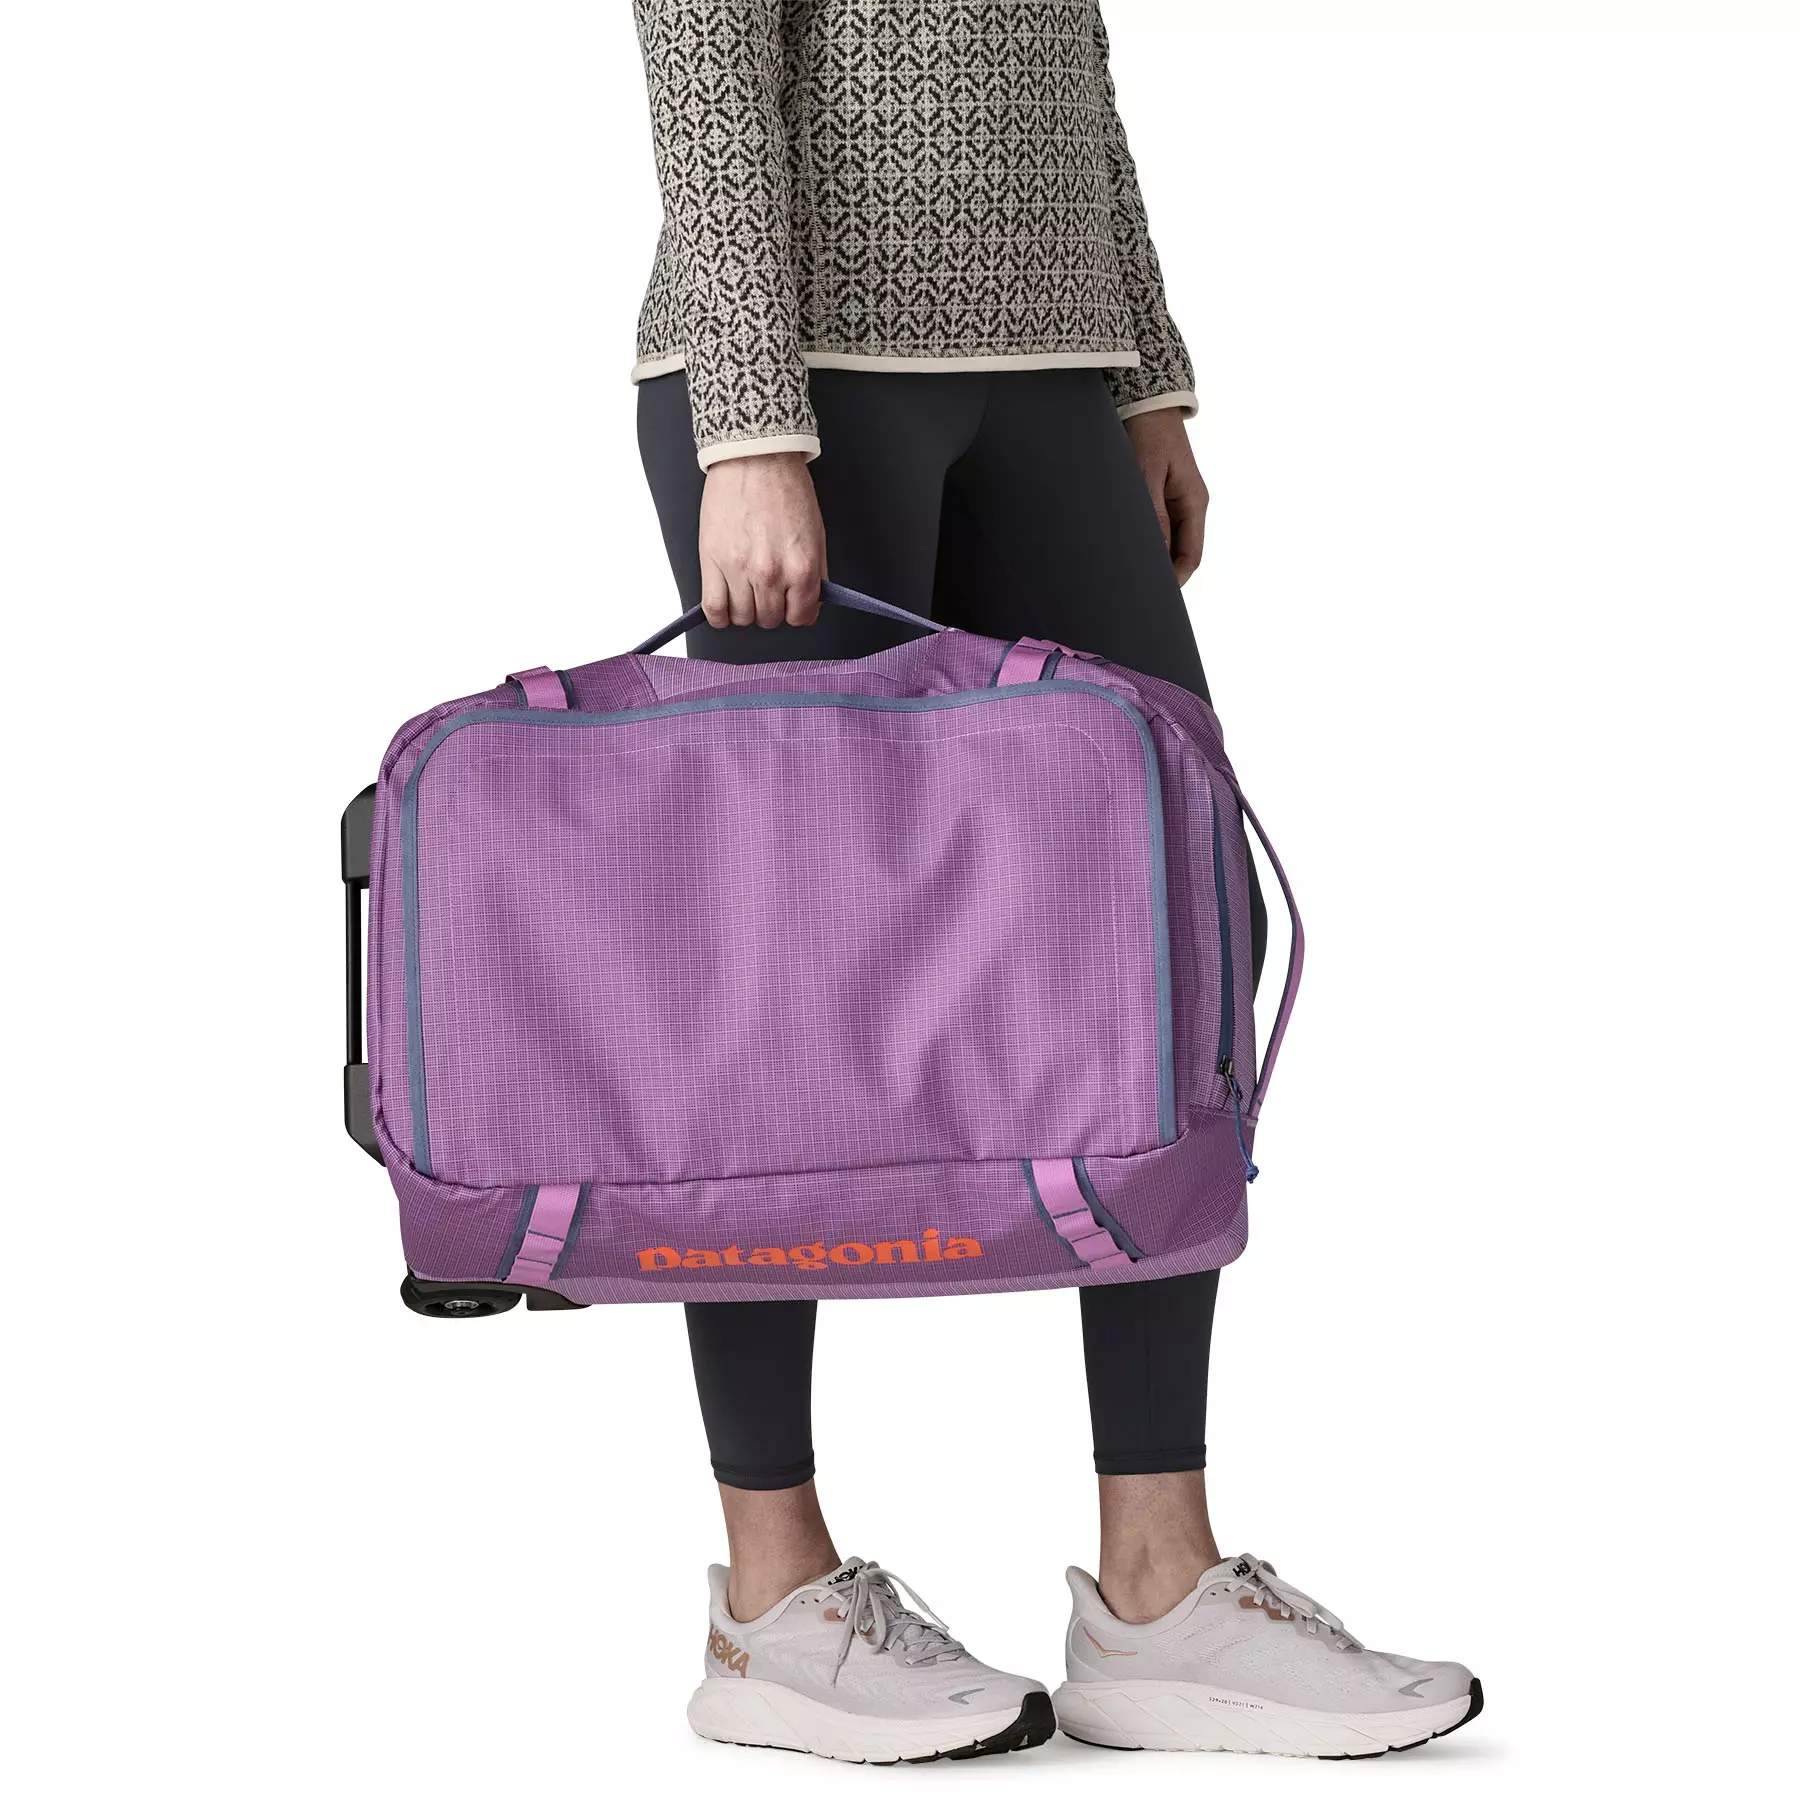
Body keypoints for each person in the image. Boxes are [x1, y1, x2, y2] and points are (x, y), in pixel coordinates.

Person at [630, 1, 1478, 1763]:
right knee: (789, 983)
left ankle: (1159, 1590)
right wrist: (746, 423)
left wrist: (1142, 375)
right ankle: (775, 1599)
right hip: (812, 382)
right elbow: (705, 45)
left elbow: (1067, 45)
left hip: (1051, 380)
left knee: (1177, 925)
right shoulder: (766, 406)